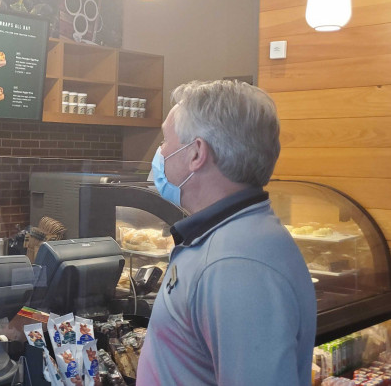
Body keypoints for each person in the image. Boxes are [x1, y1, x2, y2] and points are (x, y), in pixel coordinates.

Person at [135, 80, 316, 385]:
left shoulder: (236, 266)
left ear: (196, 153)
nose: (160, 152)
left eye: (165, 140)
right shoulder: (229, 238)